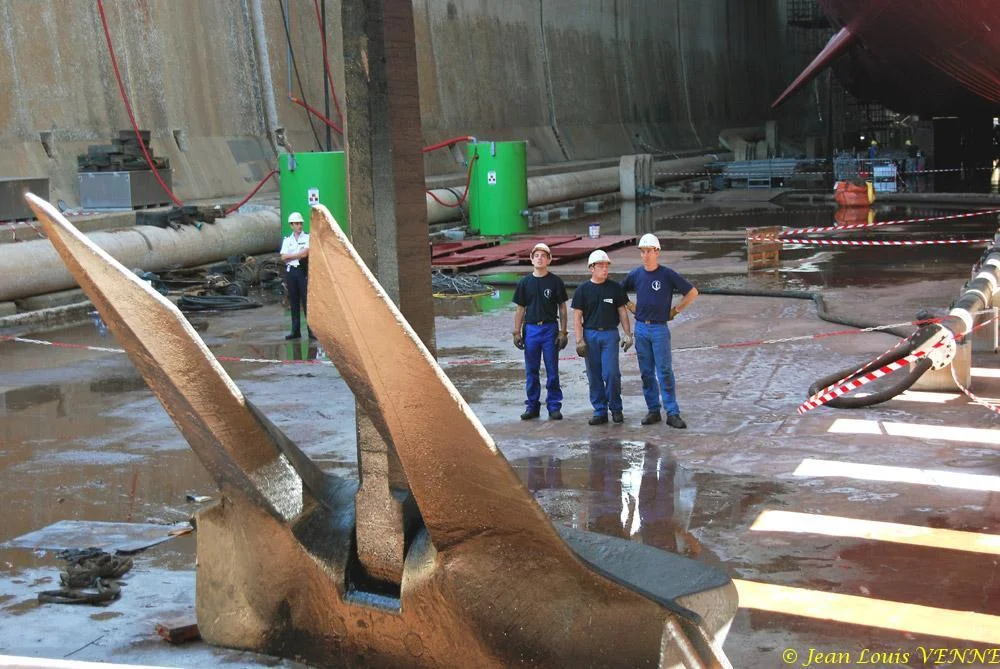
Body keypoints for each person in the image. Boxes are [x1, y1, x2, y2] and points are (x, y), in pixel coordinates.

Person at [622, 233, 698, 428]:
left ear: (657, 252)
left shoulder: (666, 274)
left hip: (659, 329)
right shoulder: (636, 275)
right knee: (646, 372)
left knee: (664, 370)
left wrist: (675, 310)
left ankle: (672, 412)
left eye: (649, 251)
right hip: (641, 328)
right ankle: (653, 410)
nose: (645, 255)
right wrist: (630, 306)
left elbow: (692, 292)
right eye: (643, 252)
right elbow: (618, 292)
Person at [572, 249, 633, 425]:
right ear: (592, 268)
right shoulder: (582, 290)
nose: (605, 269)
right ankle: (600, 410)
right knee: (594, 375)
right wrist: (579, 340)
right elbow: (577, 316)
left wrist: (628, 334)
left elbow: (622, 311)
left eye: (607, 266)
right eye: (601, 266)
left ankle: (616, 408)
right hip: (590, 335)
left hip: (609, 334)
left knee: (612, 373)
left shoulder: (614, 288)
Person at [512, 242, 569, 420]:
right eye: (536, 255)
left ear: (549, 260)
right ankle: (532, 406)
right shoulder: (524, 283)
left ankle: (554, 406)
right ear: (531, 259)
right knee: (532, 370)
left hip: (549, 329)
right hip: (531, 330)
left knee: (552, 369)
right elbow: (520, 309)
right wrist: (516, 332)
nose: (540, 258)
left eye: (543, 256)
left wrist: (563, 331)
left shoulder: (555, 282)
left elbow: (563, 308)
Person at [279, 211, 314, 340]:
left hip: (302, 271)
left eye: (300, 223)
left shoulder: (307, 238)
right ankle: (295, 330)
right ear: (291, 225)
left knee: (306, 301)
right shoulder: (287, 240)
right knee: (293, 301)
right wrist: (296, 254)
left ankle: (311, 330)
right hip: (291, 272)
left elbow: (305, 254)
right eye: (296, 223)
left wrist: (291, 255)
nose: (299, 226)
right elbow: (283, 257)